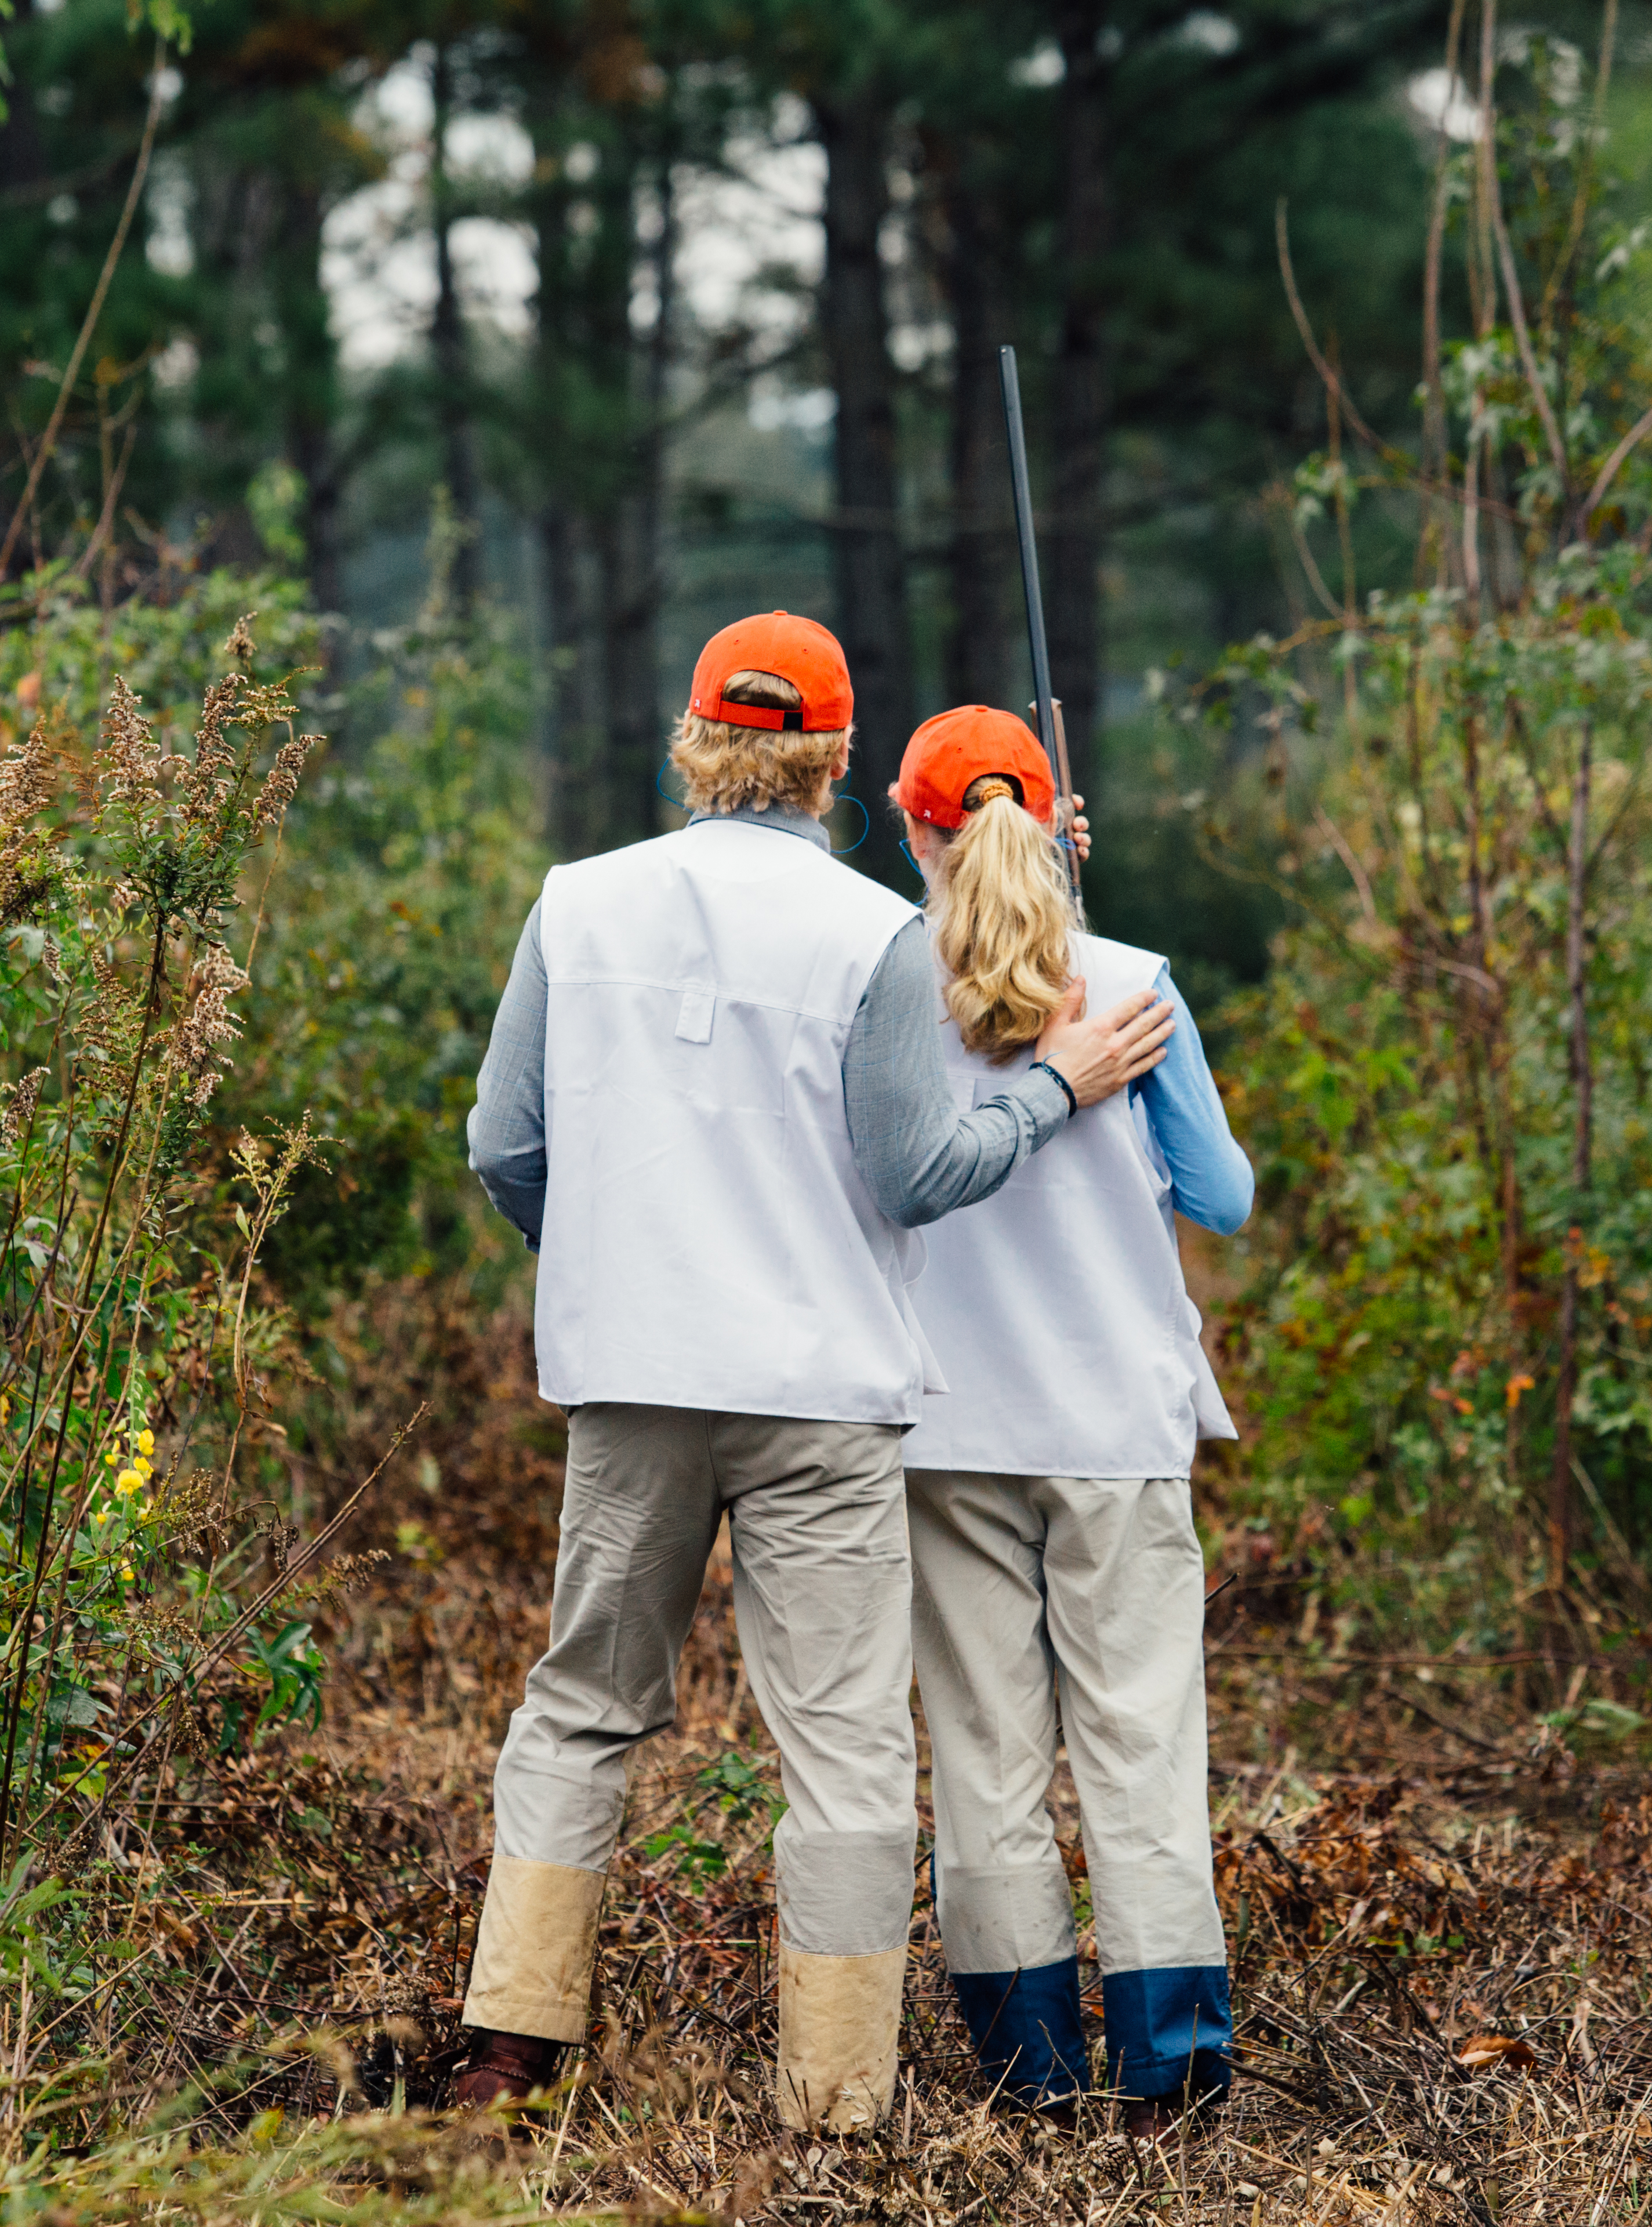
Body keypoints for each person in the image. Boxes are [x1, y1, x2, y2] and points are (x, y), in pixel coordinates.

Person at [446, 615, 1177, 2134]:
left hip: (633, 1379)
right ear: (838, 758)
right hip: (821, 1403)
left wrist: (599, 1260)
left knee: (582, 1704)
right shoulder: (871, 938)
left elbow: (503, 1148)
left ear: (692, 736)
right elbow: (921, 1172)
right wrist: (1058, 1085)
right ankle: (836, 2105)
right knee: (841, 1756)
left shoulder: (577, 907)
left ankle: (511, 2053)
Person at [885, 705, 1255, 2141]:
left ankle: (1030, 2073)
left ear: (914, 829)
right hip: (1115, 1425)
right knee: (1141, 1742)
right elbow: (1218, 1198)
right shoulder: (1136, 985)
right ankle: (1169, 2075)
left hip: (948, 1427)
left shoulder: (882, 985)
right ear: (1052, 825)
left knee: (983, 1750)